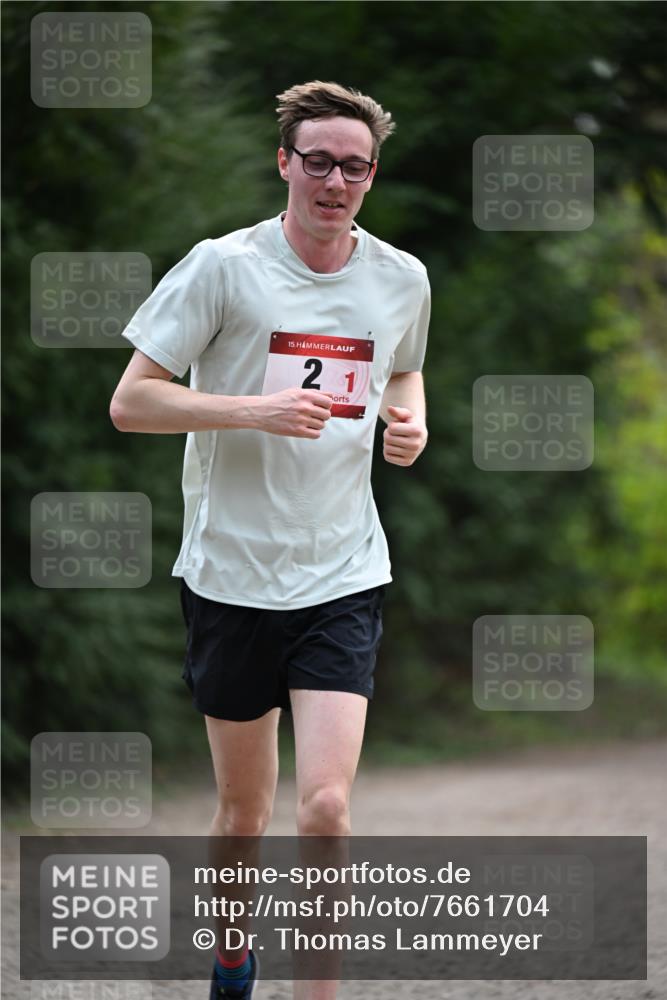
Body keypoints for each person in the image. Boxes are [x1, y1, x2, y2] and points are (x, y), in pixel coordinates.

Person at [110, 80, 430, 1000]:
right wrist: (256, 408)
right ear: (284, 162)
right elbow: (132, 402)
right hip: (231, 576)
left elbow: (403, 371)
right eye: (317, 161)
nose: (334, 181)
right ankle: (231, 956)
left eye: (354, 167)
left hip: (342, 571)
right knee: (244, 814)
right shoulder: (222, 267)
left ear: (371, 176)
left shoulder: (401, 277)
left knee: (324, 808)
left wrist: (409, 422)